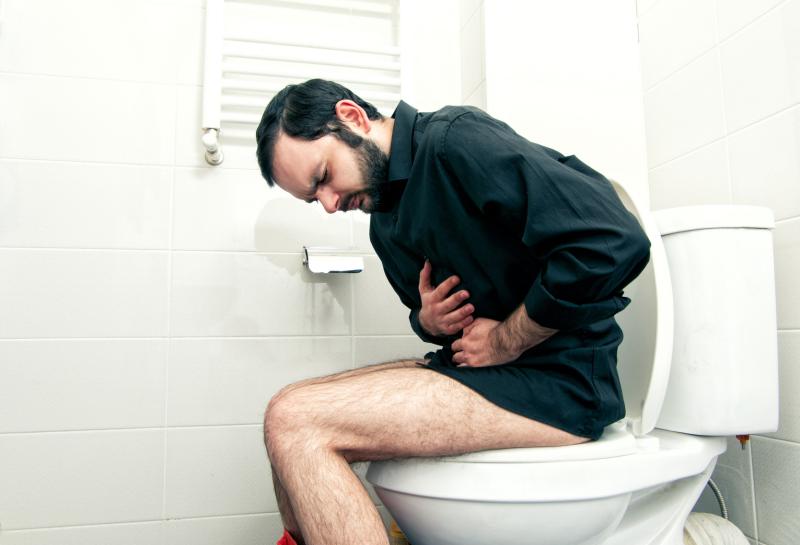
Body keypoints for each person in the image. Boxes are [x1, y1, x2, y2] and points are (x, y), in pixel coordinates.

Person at [255, 79, 651, 545]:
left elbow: (612, 241)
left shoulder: (454, 142)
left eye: (322, 177)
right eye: (312, 199)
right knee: (285, 409)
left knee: (297, 421)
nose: (328, 204)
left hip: (563, 383)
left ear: (353, 117)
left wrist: (505, 339)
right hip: (484, 374)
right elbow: (442, 322)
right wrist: (427, 321)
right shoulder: (383, 220)